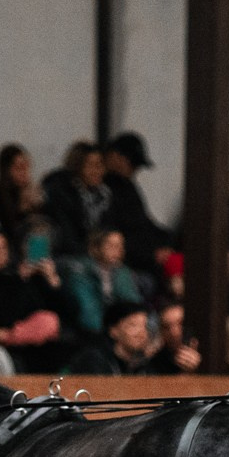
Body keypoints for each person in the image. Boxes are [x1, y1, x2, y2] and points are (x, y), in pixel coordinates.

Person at [0, 228, 66, 371]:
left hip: (25, 342)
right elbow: (3, 315)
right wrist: (19, 280)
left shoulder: (24, 276)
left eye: (3, 247)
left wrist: (52, 280)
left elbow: (63, 313)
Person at [103, 133, 175, 277]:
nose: (135, 170)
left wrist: (169, 242)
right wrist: (151, 255)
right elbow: (113, 234)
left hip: (144, 253)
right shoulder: (104, 190)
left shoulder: (127, 186)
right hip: (131, 258)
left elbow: (143, 222)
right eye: (132, 164)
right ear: (114, 156)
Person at [60, 228, 142, 343]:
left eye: (120, 245)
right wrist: (117, 332)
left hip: (117, 328)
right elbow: (88, 313)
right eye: (111, 245)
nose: (118, 250)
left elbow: (135, 304)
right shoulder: (79, 270)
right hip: (92, 331)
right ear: (95, 248)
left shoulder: (122, 272)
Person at [43, 142, 113, 257]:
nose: (98, 171)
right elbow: (67, 236)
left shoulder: (105, 196)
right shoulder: (63, 194)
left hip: (101, 255)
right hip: (69, 255)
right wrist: (92, 252)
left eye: (100, 165)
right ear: (78, 167)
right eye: (91, 165)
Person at [65, 300, 153, 375]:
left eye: (145, 326)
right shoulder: (94, 361)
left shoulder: (146, 363)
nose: (141, 333)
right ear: (113, 331)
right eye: (133, 325)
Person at [0, 144, 45, 242]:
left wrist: (38, 206)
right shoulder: (0, 197)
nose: (25, 172)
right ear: (7, 170)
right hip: (12, 247)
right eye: (19, 168)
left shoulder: (32, 191)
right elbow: (11, 230)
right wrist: (23, 206)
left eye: (27, 166)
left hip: (34, 246)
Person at [146, 300, 201, 375]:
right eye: (166, 327)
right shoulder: (154, 364)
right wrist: (187, 373)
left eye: (181, 323)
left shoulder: (213, 354)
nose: (174, 333)